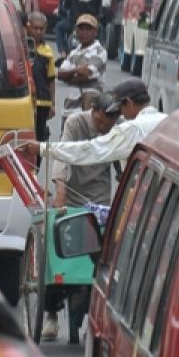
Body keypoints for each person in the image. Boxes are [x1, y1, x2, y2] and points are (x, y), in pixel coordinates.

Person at [38, 91, 119, 343]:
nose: (107, 125)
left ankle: (90, 315)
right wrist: (60, 189)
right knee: (55, 253)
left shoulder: (116, 131)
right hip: (72, 195)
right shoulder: (76, 124)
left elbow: (123, 163)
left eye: (112, 120)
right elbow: (64, 153)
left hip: (99, 198)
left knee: (98, 262)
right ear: (94, 112)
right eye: (104, 119)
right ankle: (50, 314)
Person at [19, 78, 165, 170]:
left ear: (129, 103)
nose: (121, 114)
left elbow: (90, 150)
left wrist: (43, 148)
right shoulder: (167, 119)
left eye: (120, 109)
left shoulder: (132, 129)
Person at [56, 13, 107, 117]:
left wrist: (69, 76)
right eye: (81, 29)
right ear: (76, 31)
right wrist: (76, 70)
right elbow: (59, 75)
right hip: (71, 107)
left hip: (88, 109)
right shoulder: (74, 53)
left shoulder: (100, 51)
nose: (84, 33)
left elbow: (86, 75)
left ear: (95, 32)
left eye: (88, 29)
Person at [26, 12, 56, 142]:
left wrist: (53, 104)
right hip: (25, 99)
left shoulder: (47, 51)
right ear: (28, 27)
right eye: (35, 28)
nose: (38, 31)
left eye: (41, 28)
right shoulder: (21, 47)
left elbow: (51, 78)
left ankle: (37, 162)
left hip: (43, 100)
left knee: (39, 135)